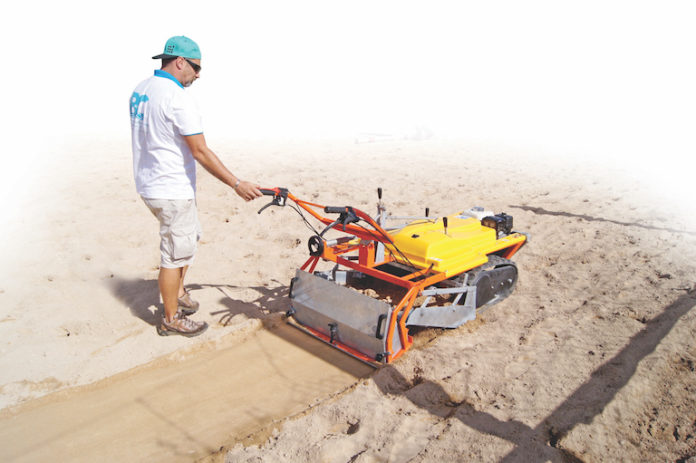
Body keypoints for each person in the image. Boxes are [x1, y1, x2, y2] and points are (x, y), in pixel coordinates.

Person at [130, 36, 263, 337]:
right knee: (174, 254)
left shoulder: (141, 89)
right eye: (196, 67)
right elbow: (200, 151)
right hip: (170, 189)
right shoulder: (177, 98)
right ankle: (171, 318)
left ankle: (177, 294)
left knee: (189, 239)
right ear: (180, 62)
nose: (198, 75)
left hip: (149, 184)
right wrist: (237, 184)